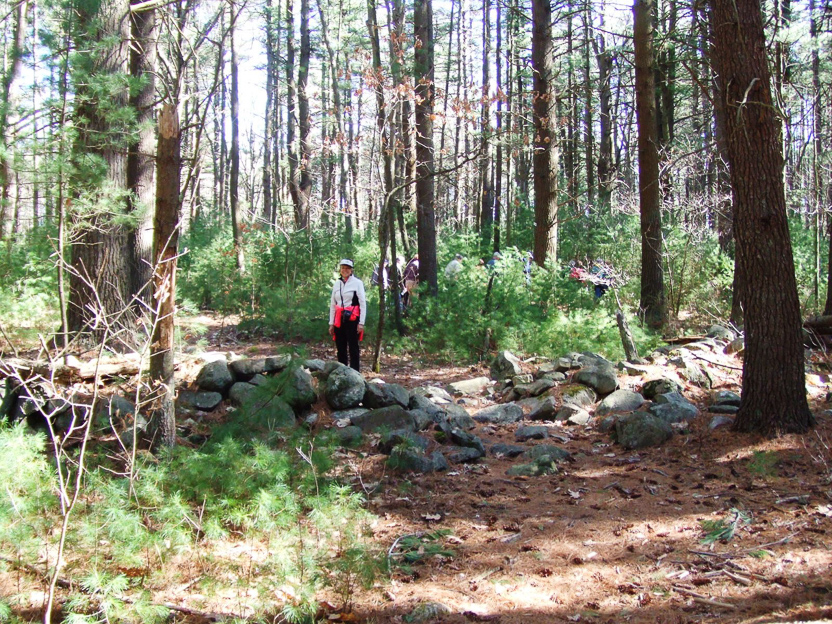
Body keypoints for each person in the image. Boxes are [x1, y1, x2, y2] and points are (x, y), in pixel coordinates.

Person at [328, 259, 366, 371]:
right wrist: (331, 323)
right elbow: (332, 304)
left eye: (347, 268)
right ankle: (342, 371)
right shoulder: (337, 284)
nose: (345, 270)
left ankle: (355, 372)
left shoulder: (357, 283)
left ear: (351, 270)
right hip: (339, 319)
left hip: (352, 319)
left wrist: (361, 323)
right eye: (343, 268)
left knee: (353, 347)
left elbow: (362, 303)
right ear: (340, 270)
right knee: (340, 346)